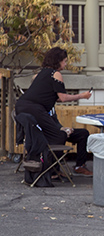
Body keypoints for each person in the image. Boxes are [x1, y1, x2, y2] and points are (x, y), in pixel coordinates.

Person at [15, 47, 94, 177]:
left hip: (22, 107)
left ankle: (51, 169)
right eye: (64, 61)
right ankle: (49, 170)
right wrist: (82, 96)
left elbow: (53, 97)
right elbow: (62, 98)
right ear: (58, 61)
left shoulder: (43, 73)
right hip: (34, 108)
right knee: (58, 135)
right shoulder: (55, 74)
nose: (66, 64)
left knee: (53, 134)